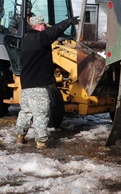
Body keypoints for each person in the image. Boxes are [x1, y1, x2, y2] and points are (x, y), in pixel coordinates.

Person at [14, 14, 78, 148]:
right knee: (41, 113)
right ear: (39, 25)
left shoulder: (25, 40)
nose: (45, 27)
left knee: (26, 111)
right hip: (39, 85)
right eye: (43, 25)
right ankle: (41, 142)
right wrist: (68, 22)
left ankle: (20, 136)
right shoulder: (39, 38)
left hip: (26, 85)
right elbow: (52, 32)